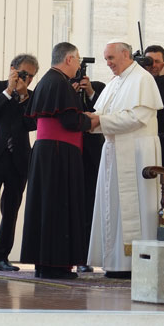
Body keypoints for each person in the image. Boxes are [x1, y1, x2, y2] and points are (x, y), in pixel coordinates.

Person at [86, 40, 163, 278]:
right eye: (106, 59)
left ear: (126, 54)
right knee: (112, 205)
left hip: (137, 151)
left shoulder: (143, 79)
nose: (108, 63)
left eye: (111, 58)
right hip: (114, 149)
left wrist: (100, 121)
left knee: (135, 206)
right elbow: (104, 113)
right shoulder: (116, 82)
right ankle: (115, 261)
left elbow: (137, 117)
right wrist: (93, 119)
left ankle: (134, 263)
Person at [20, 42, 92, 279]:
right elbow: (71, 122)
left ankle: (45, 263)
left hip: (47, 152)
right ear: (69, 59)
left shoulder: (47, 82)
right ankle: (56, 264)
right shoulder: (59, 83)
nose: (80, 65)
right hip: (59, 153)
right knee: (58, 206)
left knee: (47, 205)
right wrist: (92, 120)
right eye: (78, 60)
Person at [0, 54, 38, 272]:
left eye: (32, 76)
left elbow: (32, 123)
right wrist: (9, 92)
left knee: (11, 210)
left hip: (18, 159)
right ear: (13, 69)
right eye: (24, 74)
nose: (28, 80)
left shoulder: (31, 96)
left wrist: (23, 97)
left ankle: (1, 256)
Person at [74, 75, 105, 274]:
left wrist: (89, 92)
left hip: (93, 154)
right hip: (72, 152)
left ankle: (85, 256)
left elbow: (102, 111)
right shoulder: (65, 88)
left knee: (89, 206)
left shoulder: (99, 87)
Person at [144, 45, 164, 166]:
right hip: (142, 145)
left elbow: (163, 101)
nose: (153, 65)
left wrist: (163, 77)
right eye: (149, 61)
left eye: (157, 61)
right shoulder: (138, 86)